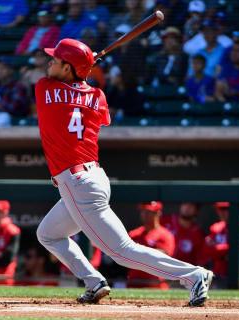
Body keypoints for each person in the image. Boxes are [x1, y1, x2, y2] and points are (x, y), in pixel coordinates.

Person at [35, 38, 213, 306]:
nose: (49, 61)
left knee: (121, 251)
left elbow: (59, 89)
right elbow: (97, 112)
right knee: (48, 233)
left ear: (69, 68)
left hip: (77, 182)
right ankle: (94, 282)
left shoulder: (44, 88)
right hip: (93, 178)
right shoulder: (98, 95)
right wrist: (83, 72)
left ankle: (193, 275)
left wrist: (83, 65)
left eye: (56, 59)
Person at [203, 202, 239, 279]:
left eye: (225, 209)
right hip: (218, 276)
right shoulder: (216, 228)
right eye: (219, 209)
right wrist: (232, 250)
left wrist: (219, 251)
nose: (222, 212)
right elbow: (207, 253)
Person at [128, 202, 175, 289]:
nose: (145, 214)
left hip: (156, 284)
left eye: (149, 212)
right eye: (143, 211)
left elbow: (164, 256)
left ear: (158, 213)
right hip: (134, 283)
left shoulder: (165, 235)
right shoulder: (134, 234)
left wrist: (138, 252)